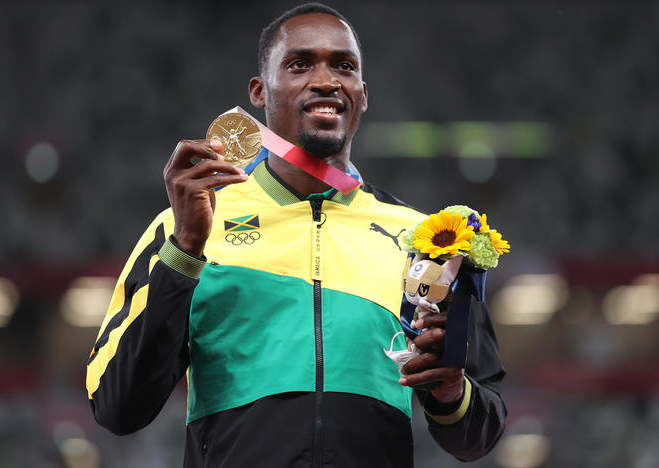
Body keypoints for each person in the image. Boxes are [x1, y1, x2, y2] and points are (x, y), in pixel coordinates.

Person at [86, 3, 506, 467]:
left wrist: (451, 392)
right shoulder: (187, 225)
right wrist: (185, 249)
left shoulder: (425, 239)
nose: (326, 80)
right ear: (259, 92)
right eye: (300, 63)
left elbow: (478, 433)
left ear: (362, 95)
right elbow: (117, 407)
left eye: (343, 66)